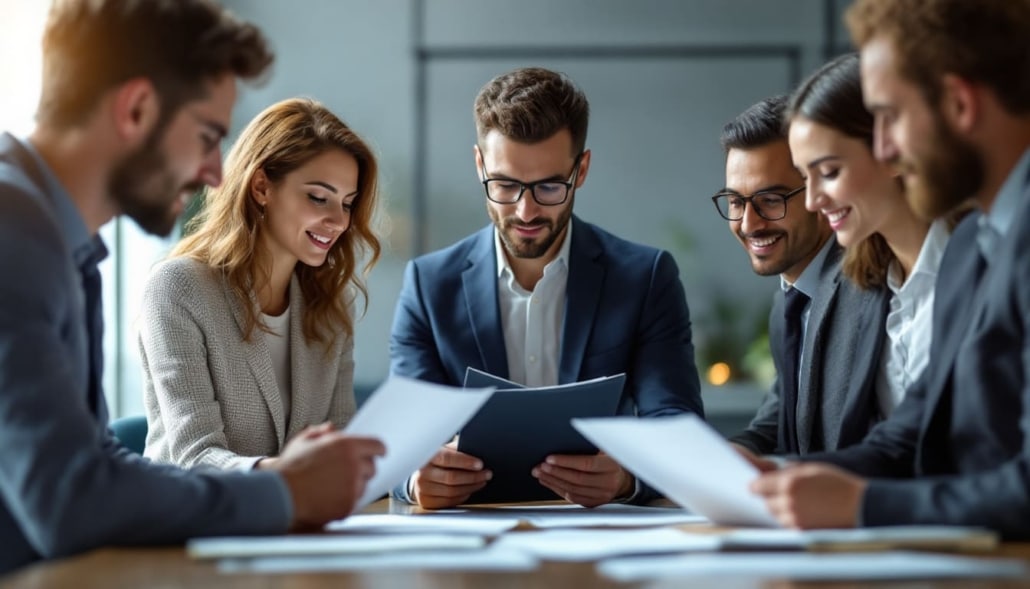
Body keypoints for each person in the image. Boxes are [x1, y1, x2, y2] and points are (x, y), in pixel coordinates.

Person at [0, 0, 384, 574]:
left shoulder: (63, 246)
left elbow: (98, 461)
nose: (213, 173)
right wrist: (285, 491)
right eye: (207, 136)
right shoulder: (15, 236)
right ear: (137, 109)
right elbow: (69, 499)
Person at [750, 0, 1030, 537]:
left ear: (959, 103)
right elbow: (908, 435)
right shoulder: (978, 242)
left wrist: (864, 507)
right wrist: (780, 478)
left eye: (889, 117)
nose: (885, 150)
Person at [390, 67, 704, 509]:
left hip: (601, 542)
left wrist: (627, 478)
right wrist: (414, 478)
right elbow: (401, 440)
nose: (526, 210)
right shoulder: (428, 285)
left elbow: (677, 427)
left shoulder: (646, 277)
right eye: (504, 185)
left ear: (582, 170)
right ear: (480, 165)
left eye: (549, 186)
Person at [140, 98, 381, 470]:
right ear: (261, 188)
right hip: (193, 521)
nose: (339, 221)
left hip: (297, 523)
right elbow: (195, 457)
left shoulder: (332, 304)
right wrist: (291, 475)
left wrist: (408, 475)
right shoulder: (178, 288)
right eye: (319, 198)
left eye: (347, 204)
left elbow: (341, 441)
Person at [718, 95, 888, 457]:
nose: (749, 223)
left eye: (771, 199)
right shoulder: (788, 303)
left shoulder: (871, 285)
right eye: (735, 202)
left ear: (818, 193)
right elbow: (776, 426)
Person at [787, 52, 952, 418]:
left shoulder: (984, 266)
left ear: (892, 152)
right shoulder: (857, 288)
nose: (812, 201)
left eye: (829, 172)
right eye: (804, 177)